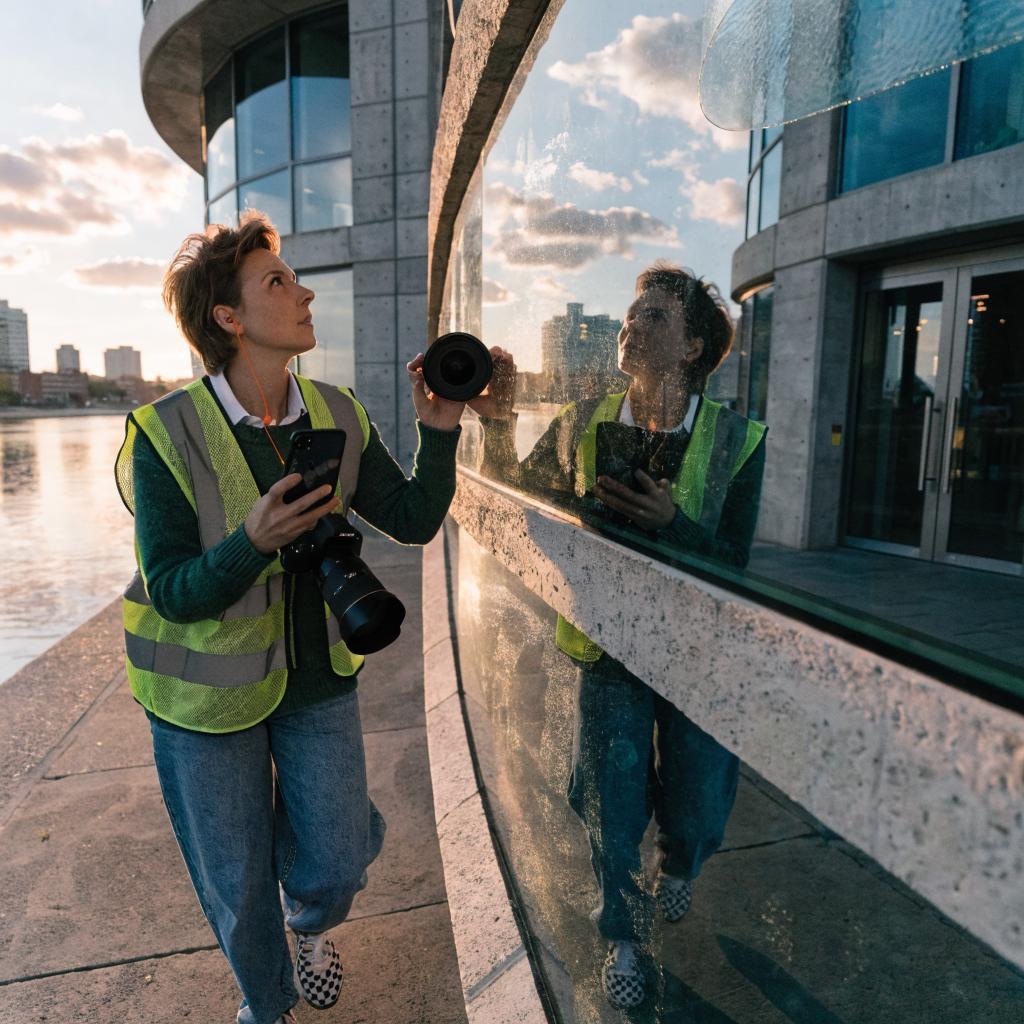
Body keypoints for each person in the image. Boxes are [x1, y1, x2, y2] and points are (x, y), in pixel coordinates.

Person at [114, 212, 466, 1024]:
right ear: (228, 319)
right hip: (200, 703)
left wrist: (439, 428)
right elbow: (170, 588)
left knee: (339, 860)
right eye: (278, 281)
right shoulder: (163, 431)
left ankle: (310, 926)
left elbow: (411, 518)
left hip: (315, 680)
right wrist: (252, 542)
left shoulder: (338, 413)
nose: (304, 291)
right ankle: (263, 1005)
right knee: (236, 884)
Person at [472, 261, 767, 1010]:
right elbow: (518, 506)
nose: (631, 327)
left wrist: (675, 527)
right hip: (607, 651)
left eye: (654, 318)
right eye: (630, 315)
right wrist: (498, 423)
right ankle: (625, 937)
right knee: (611, 803)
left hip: (698, 658)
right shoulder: (582, 423)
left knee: (698, 807)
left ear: (693, 347)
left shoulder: (739, 440)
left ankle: (679, 866)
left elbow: (735, 564)